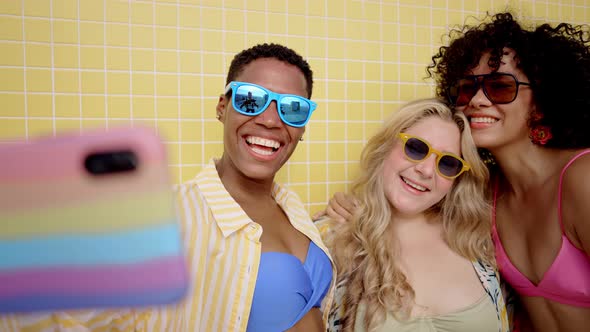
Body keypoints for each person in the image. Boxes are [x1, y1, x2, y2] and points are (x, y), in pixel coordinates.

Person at [1, 43, 334, 332]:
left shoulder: (293, 210)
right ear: (222, 106)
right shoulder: (167, 221)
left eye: (292, 109)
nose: (272, 120)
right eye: (252, 99)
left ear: (302, 126)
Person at [319, 12, 590, 332]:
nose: (477, 100)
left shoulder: (581, 177)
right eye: (467, 88)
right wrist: (353, 211)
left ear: (541, 102)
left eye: (500, 87)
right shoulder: (487, 199)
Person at [322, 98, 510, 332]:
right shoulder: (332, 241)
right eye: (416, 148)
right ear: (386, 146)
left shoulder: (475, 242)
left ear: (456, 180)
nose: (426, 170)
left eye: (448, 163)